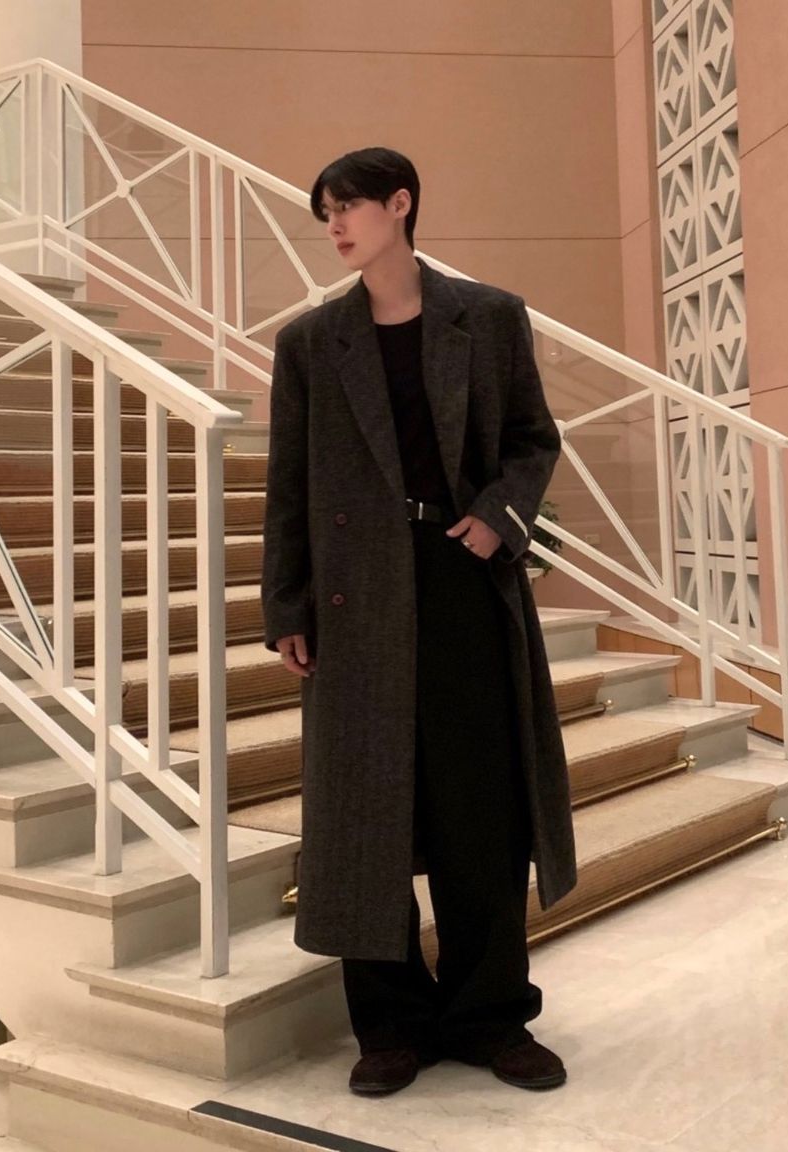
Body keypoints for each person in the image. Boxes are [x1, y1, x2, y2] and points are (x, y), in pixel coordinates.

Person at [261, 147, 577, 1097]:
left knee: (480, 806)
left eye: (348, 206)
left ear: (400, 205)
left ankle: (491, 1015)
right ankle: (391, 1026)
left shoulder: (488, 318)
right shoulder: (311, 343)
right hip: (355, 595)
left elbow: (532, 440)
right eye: (325, 212)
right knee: (365, 812)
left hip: (462, 577)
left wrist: (498, 516)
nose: (334, 226)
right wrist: (287, 605)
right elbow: (289, 485)